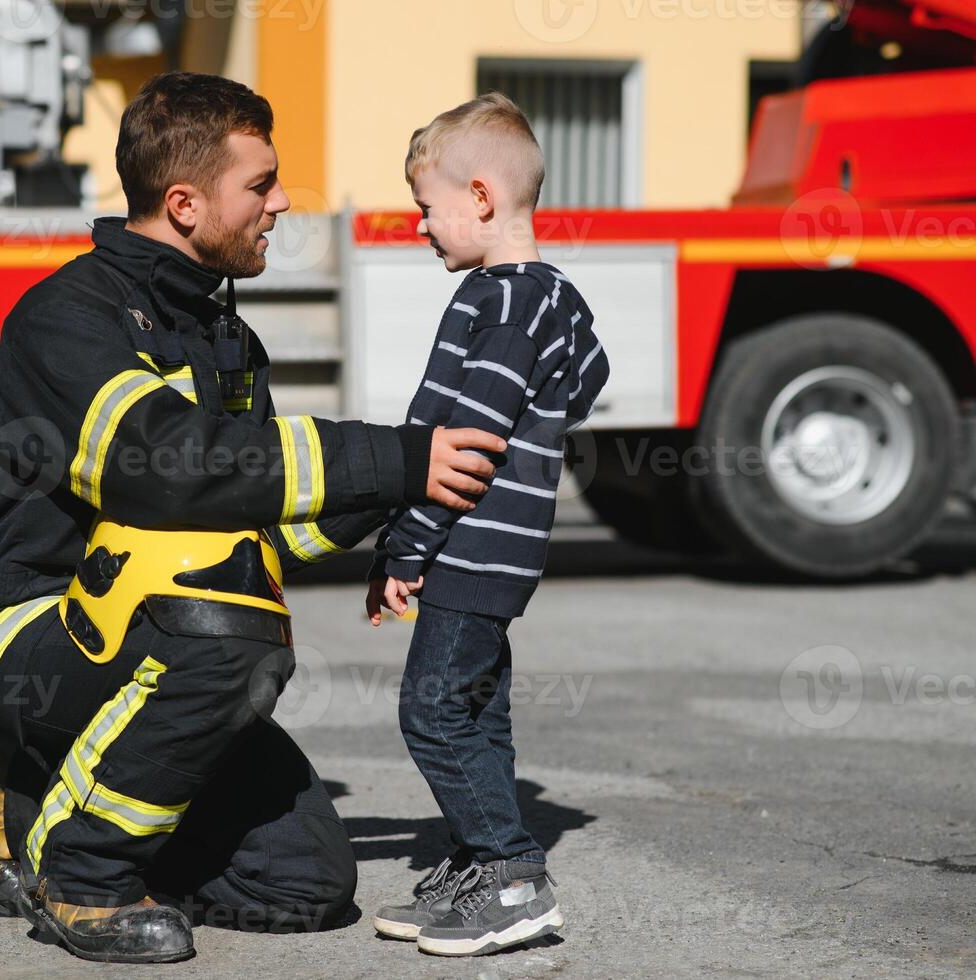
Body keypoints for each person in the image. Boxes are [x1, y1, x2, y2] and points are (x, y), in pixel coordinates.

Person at [0, 72, 508, 964]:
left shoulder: (224, 339)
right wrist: (396, 455)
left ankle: (38, 786)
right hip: (28, 631)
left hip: (153, 638)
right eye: (260, 185)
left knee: (307, 885)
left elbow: (269, 522)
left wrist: (412, 497)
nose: (282, 203)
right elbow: (167, 469)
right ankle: (80, 875)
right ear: (182, 203)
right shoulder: (67, 319)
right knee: (223, 621)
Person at [364, 93, 610, 957]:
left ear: (478, 197)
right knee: (479, 710)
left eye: (425, 207)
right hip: (506, 548)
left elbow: (463, 445)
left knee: (431, 711)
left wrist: (405, 546)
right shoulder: (552, 297)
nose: (419, 225)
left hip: (470, 541)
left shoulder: (495, 304)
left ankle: (509, 875)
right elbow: (588, 375)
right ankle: (480, 858)